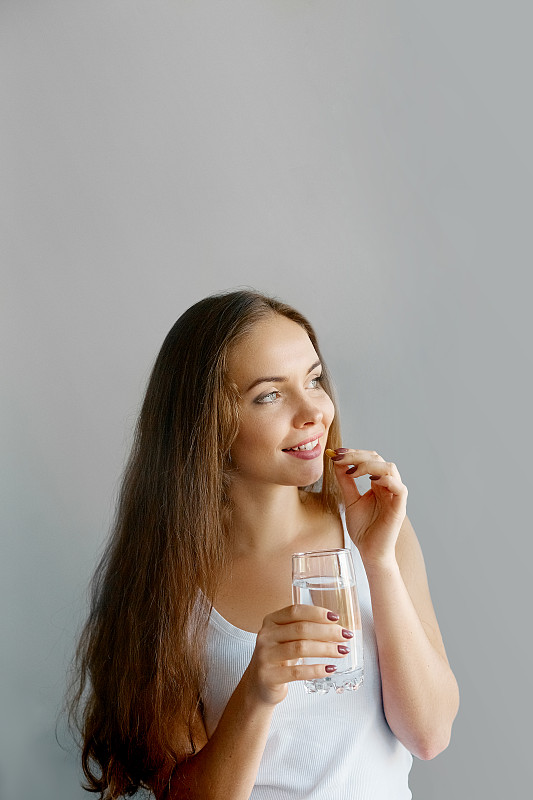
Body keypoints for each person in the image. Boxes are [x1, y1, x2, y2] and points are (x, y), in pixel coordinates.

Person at [68, 290, 459, 800]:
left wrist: (378, 563)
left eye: (314, 380)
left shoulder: (380, 533)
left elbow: (428, 736)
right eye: (269, 395)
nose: (314, 411)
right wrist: (257, 688)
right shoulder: (165, 587)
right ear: (206, 424)